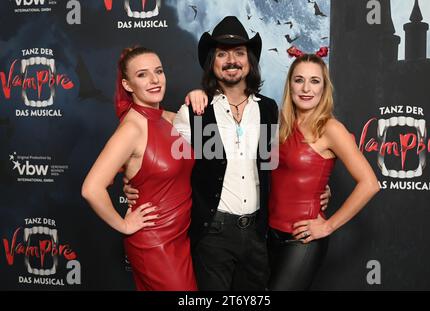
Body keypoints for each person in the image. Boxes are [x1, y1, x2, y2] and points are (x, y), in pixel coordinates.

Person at [124, 16, 330, 291]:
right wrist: (131, 181)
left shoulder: (269, 110)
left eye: (239, 53)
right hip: (213, 234)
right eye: (222, 53)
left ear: (249, 61)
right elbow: (153, 143)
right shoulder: (193, 112)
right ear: (213, 62)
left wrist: (317, 190)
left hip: (258, 234)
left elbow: (278, 164)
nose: (231, 60)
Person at [81, 46, 197, 291]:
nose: (155, 80)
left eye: (159, 71)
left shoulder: (170, 118)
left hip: (181, 238)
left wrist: (199, 94)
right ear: (128, 85)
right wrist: (124, 225)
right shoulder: (132, 129)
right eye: (143, 75)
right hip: (155, 244)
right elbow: (91, 189)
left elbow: (217, 143)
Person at [267, 48, 380, 290]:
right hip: (267, 235)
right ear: (290, 86)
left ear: (323, 88)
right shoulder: (279, 124)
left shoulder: (330, 128)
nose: (306, 89)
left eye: (314, 81)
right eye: (299, 80)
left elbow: (370, 183)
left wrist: (328, 226)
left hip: (302, 240)